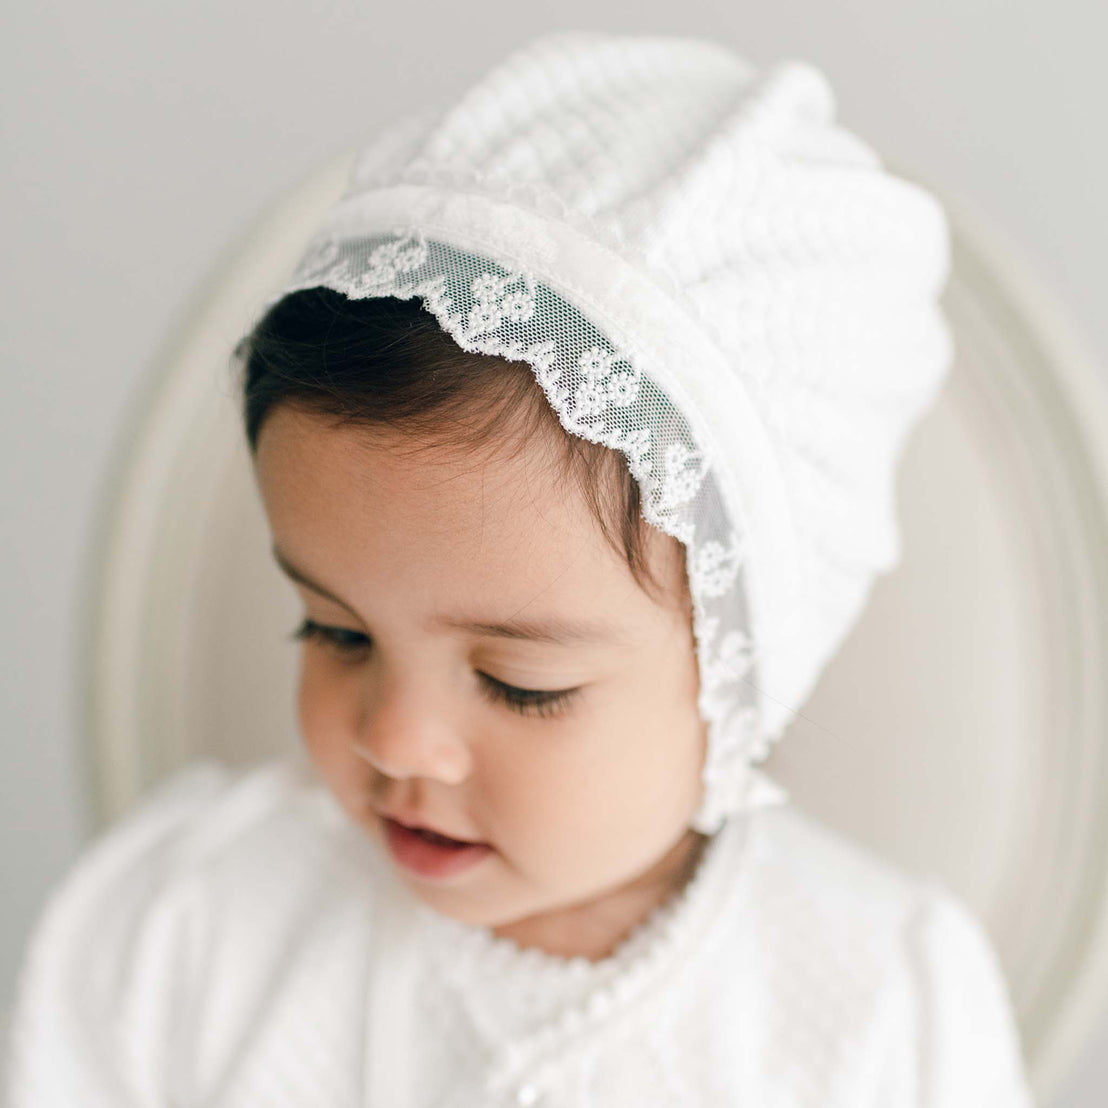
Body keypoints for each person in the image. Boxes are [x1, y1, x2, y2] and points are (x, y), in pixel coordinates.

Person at [4, 30, 1036, 1107]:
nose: (392, 737)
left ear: (743, 672)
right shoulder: (183, 928)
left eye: (517, 684)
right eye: (334, 629)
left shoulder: (876, 1005)